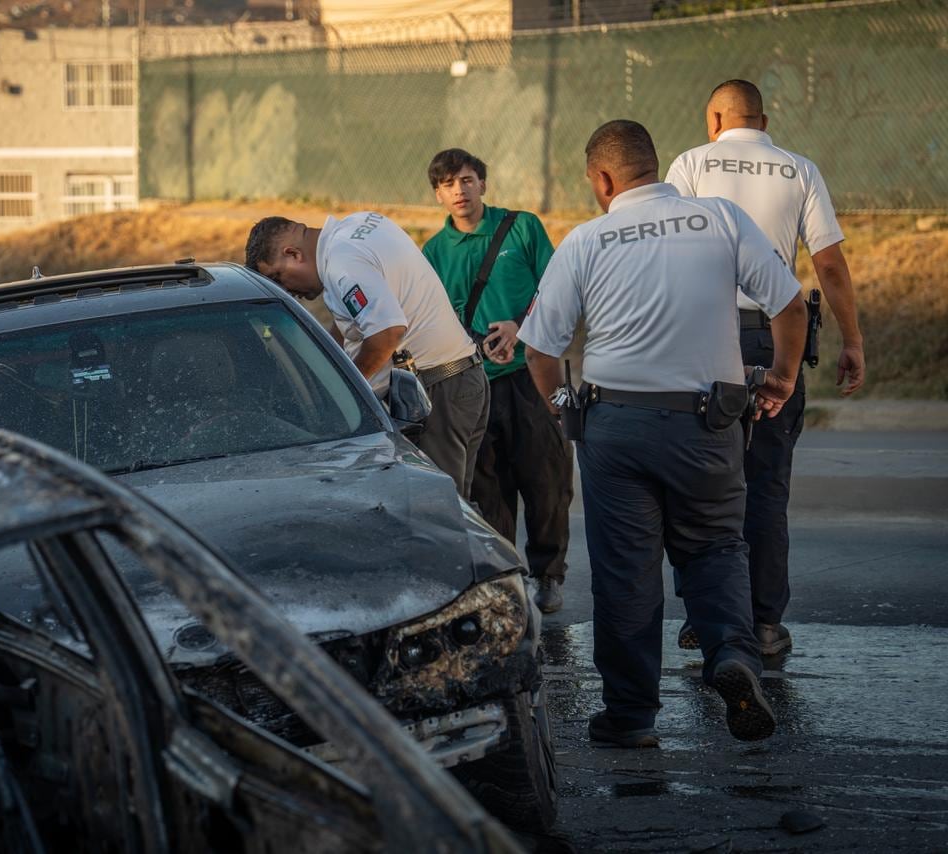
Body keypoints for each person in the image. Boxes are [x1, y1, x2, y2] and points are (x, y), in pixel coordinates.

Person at [519, 119, 806, 747]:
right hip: (707, 422)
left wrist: (566, 409)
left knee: (625, 573)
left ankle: (630, 718)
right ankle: (733, 656)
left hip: (615, 426)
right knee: (715, 549)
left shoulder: (585, 240)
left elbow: (539, 349)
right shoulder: (721, 219)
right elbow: (789, 305)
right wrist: (782, 378)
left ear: (603, 179)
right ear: (655, 165)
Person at [666, 79, 866, 657]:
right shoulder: (799, 169)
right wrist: (852, 339)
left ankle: (706, 617)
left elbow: (666, 253)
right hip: (775, 333)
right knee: (767, 484)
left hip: (704, 338)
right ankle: (764, 624)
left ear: (715, 119)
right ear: (764, 120)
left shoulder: (691, 164)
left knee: (701, 483)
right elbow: (829, 264)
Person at [421, 148, 574, 614]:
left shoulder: (522, 227)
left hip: (531, 375)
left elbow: (555, 289)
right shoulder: (433, 252)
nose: (459, 191)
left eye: (467, 180)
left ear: (483, 184)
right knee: (487, 491)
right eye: (448, 184)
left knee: (547, 480)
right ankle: (507, 578)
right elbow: (432, 317)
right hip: (472, 384)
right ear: (438, 194)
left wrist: (518, 329)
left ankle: (548, 574)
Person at [245, 213, 489, 497]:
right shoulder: (359, 225)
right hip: (458, 379)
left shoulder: (342, 263)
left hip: (435, 392)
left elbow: (387, 331)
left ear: (293, 254)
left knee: (438, 506)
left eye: (278, 277)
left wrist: (348, 390)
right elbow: (352, 320)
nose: (286, 290)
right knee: (461, 505)